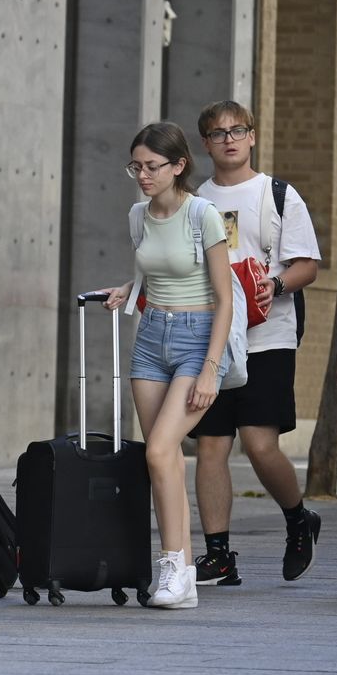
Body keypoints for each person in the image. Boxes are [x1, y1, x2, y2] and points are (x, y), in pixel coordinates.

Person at [103, 122, 235, 610]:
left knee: (160, 450)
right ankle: (180, 575)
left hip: (198, 339)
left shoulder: (203, 215)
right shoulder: (139, 215)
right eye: (135, 166)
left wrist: (209, 368)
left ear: (179, 166)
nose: (142, 175)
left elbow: (225, 300)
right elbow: (151, 266)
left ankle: (173, 565)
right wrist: (129, 288)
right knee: (165, 458)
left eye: (152, 166)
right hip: (150, 337)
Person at [190, 101, 323, 586]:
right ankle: (219, 555)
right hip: (211, 340)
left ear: (251, 137)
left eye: (237, 130)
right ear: (204, 143)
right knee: (210, 446)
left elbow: (307, 265)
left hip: (268, 337)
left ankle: (297, 519)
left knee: (260, 445)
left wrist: (277, 285)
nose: (228, 139)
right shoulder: (194, 200)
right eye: (217, 133)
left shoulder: (278, 195)